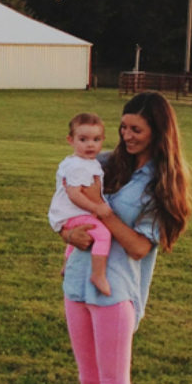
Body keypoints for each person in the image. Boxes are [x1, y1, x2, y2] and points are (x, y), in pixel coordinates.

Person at [60, 91, 192, 384]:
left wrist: (104, 214)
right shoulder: (103, 164)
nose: (126, 136)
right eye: (122, 128)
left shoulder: (159, 185)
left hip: (115, 292)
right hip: (77, 283)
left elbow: (138, 246)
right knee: (89, 382)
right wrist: (66, 231)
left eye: (136, 129)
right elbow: (66, 204)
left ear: (158, 132)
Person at [48, 112, 113, 297]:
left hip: (70, 214)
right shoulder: (77, 166)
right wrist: (97, 208)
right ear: (71, 140)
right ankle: (98, 275)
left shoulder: (86, 162)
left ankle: (66, 265)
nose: (90, 144)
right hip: (72, 213)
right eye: (83, 139)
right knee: (103, 234)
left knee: (79, 236)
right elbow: (74, 194)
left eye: (96, 139)